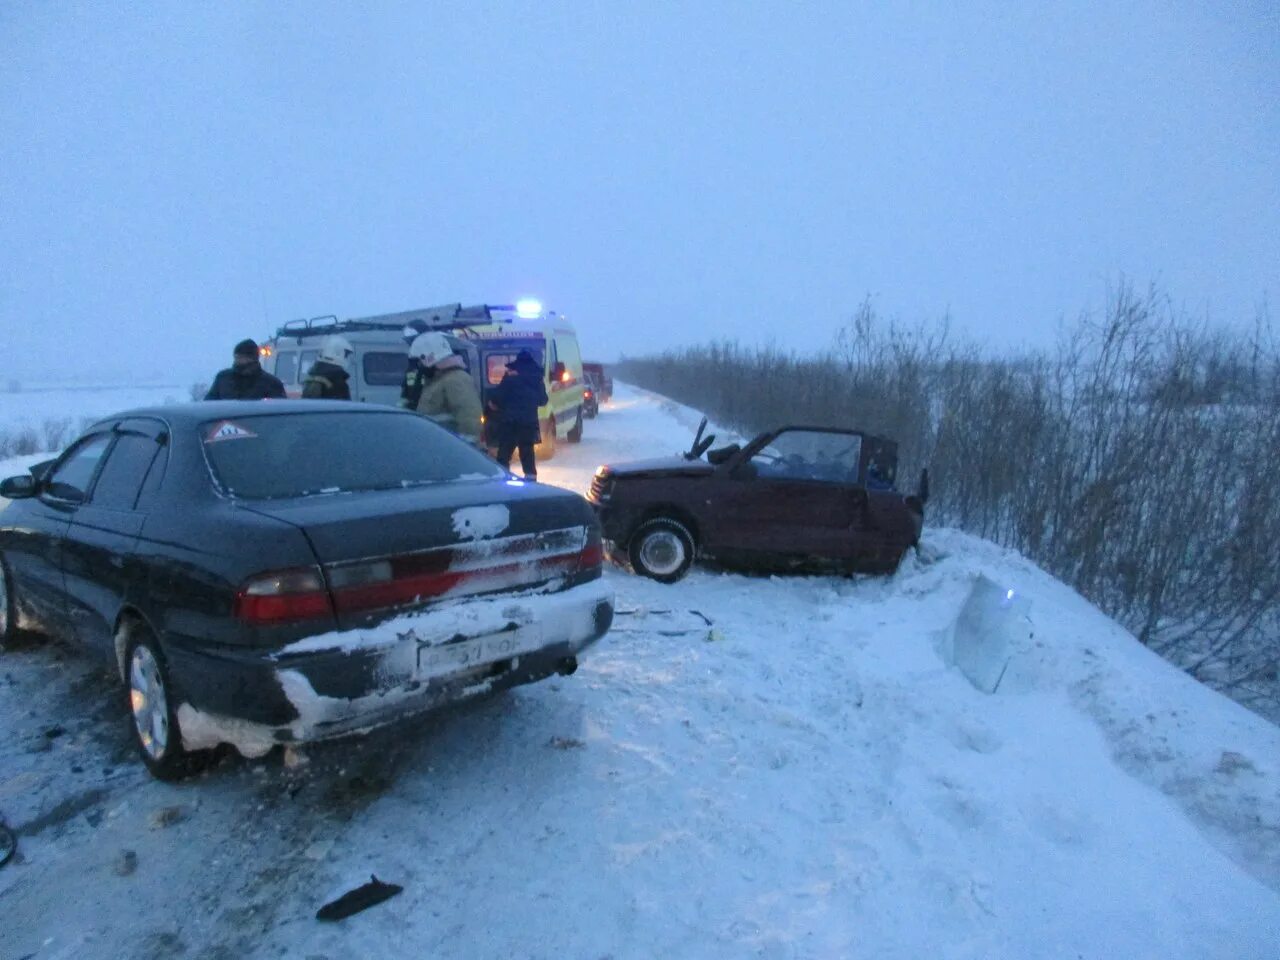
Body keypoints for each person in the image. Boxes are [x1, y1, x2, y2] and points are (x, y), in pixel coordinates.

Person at [411, 332, 483, 445]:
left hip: (450, 447)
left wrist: (467, 446)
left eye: (420, 361)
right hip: (438, 445)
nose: (419, 365)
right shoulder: (437, 380)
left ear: (430, 357)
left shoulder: (456, 379)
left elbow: (469, 416)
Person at [488, 349, 548, 480]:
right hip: (528, 423)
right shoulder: (537, 380)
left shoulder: (510, 379)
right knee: (527, 451)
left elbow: (496, 400)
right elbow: (543, 401)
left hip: (510, 423)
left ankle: (503, 479)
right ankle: (531, 479)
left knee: (504, 453)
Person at [204, 339, 286, 400]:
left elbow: (280, 411)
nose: (237, 360)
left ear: (252, 359)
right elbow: (209, 405)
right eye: (236, 357)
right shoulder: (223, 379)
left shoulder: (271, 383)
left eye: (241, 357)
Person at [301, 335, 354, 400]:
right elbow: (345, 404)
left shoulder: (312, 377)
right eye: (346, 355)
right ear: (338, 353)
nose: (346, 358)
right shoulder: (338, 381)